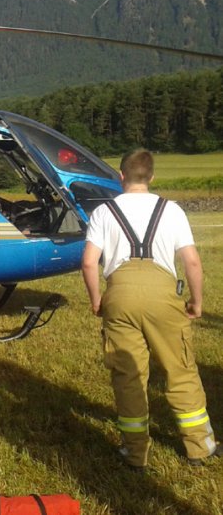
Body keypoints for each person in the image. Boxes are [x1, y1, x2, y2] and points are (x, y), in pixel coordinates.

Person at [81, 148, 219, 469]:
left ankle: (135, 452)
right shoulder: (171, 210)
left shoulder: (103, 212)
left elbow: (88, 262)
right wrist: (196, 302)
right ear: (152, 177)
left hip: (120, 294)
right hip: (163, 294)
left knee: (128, 375)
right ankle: (200, 447)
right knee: (180, 370)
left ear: (121, 176)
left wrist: (97, 299)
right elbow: (192, 262)